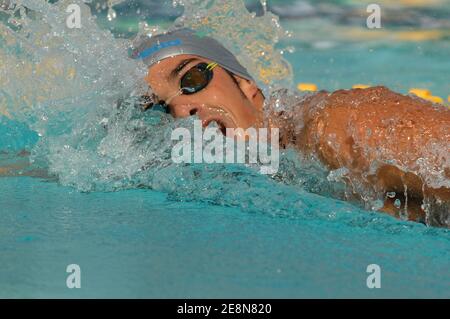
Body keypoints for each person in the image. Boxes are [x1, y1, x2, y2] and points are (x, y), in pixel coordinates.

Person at [130, 28, 449, 226]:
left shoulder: (335, 126)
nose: (182, 109)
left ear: (246, 87)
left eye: (192, 79)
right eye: (157, 109)